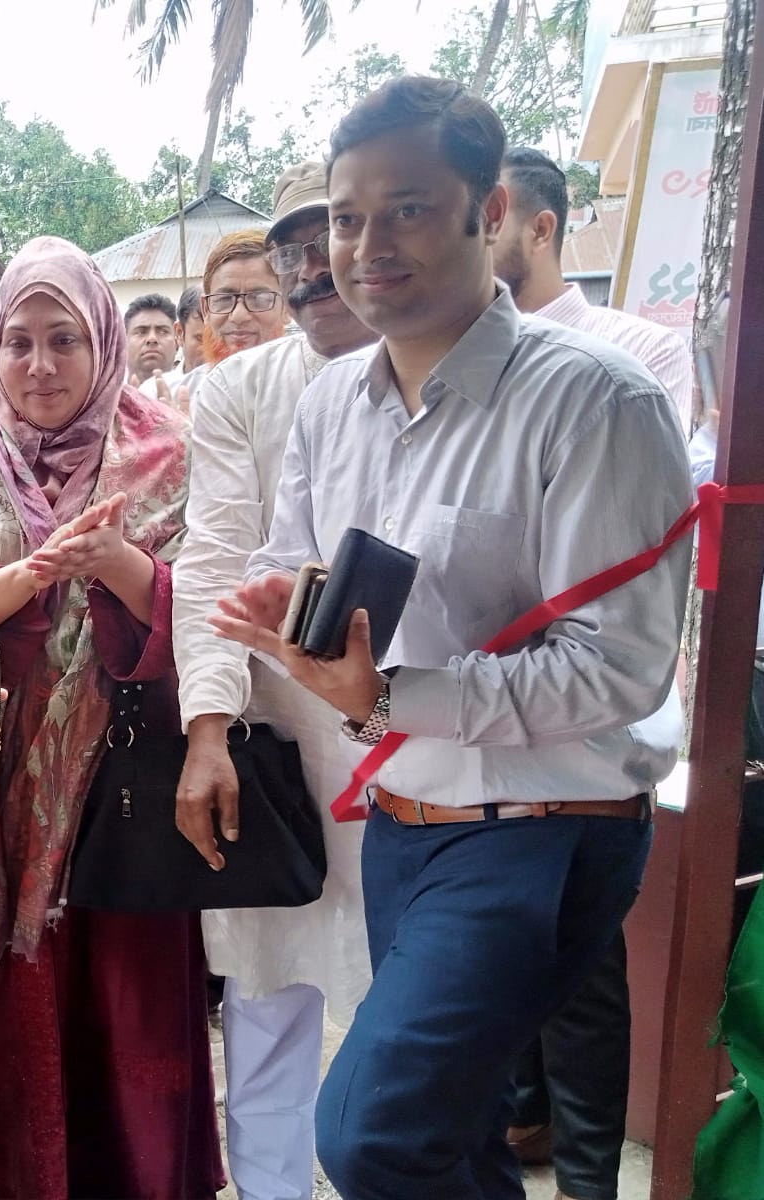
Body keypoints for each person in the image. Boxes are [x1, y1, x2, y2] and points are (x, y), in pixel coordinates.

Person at [210, 77, 692, 1200]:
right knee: (454, 1136)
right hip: (402, 822)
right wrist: (279, 604)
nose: (366, 247)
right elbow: (292, 553)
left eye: (409, 209)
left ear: (492, 210)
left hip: (546, 824)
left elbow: (618, 668)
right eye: (347, 218)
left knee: (372, 1134)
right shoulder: (331, 402)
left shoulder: (597, 403)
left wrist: (387, 697)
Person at [0, 236, 224, 1198]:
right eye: (19, 343)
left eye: (64, 341)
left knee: (123, 1004)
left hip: (121, 790)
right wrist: (24, 578)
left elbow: (209, 615)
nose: (39, 366)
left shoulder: (167, 452)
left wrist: (120, 567)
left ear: (102, 344)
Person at [172, 159, 378, 1200]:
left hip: (421, 743)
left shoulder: (449, 376)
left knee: (409, 1012)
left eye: (324, 240)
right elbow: (213, 556)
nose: (312, 269)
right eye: (293, 248)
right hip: (278, 741)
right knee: (265, 998)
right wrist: (208, 727)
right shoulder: (239, 388)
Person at [494, 145, 692, 1200]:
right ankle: (520, 1121)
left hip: (584, 722)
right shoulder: (444, 361)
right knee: (489, 956)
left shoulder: (635, 356)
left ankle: (585, 1179)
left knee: (580, 966)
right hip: (465, 720)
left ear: (540, 226)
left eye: (488, 217)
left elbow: (635, 538)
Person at [495, 146, 694, 431]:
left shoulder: (646, 349)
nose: (466, 245)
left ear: (540, 231)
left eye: (489, 222)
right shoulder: (452, 352)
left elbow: (649, 459)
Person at [176, 229, 291, 401]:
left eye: (258, 299)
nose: (238, 316)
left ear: (287, 307)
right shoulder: (171, 398)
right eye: (224, 299)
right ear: (206, 310)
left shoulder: (314, 392)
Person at [124, 292, 181, 395]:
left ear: (177, 342)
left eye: (163, 331)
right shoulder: (106, 397)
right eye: (141, 332)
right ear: (124, 342)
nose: (152, 339)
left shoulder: (194, 394)